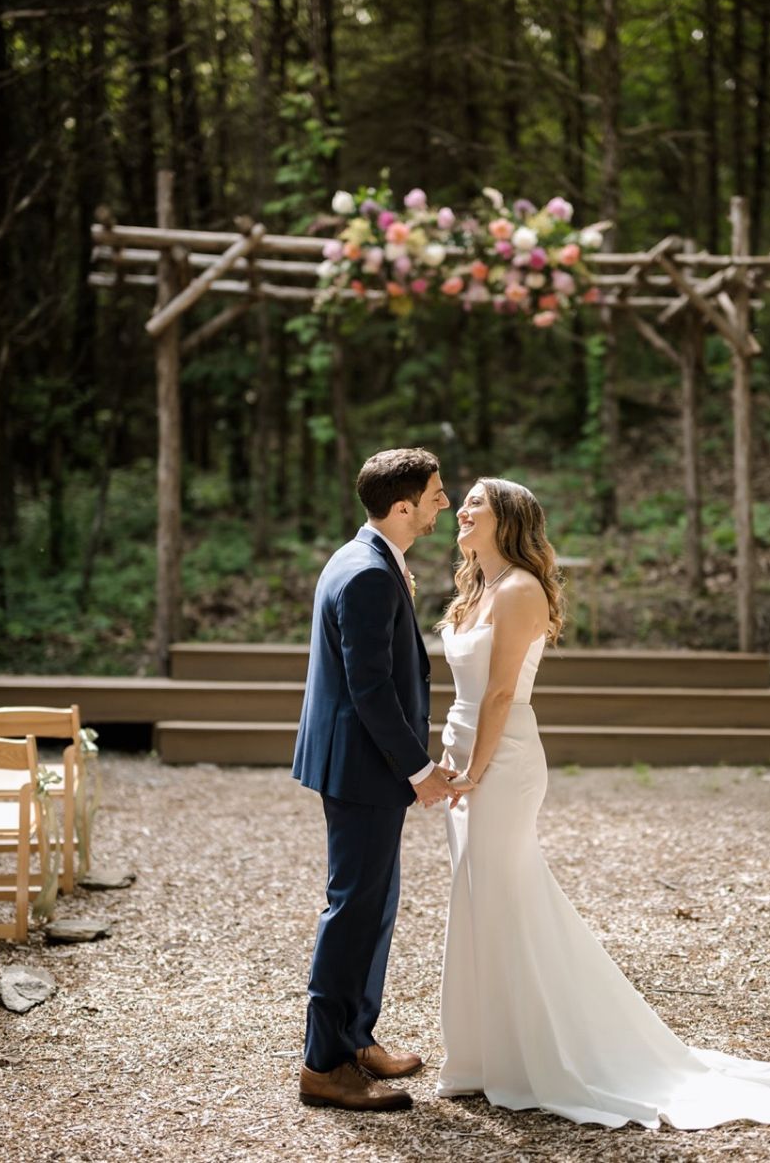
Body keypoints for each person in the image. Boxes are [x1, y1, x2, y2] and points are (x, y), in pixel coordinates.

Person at [436, 477, 770, 1129]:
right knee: (475, 897)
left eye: (476, 504)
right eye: (462, 501)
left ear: (509, 520)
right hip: (466, 757)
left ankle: (535, 1059)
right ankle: (482, 1056)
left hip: (503, 760)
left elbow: (497, 697)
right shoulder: (476, 590)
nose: (462, 511)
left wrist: (472, 770)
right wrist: (452, 760)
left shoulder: (519, 590)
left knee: (504, 897)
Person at [293, 448, 455, 1112]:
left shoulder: (364, 555)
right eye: (437, 494)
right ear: (403, 506)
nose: (444, 502)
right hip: (363, 769)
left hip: (361, 765)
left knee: (375, 906)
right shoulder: (366, 573)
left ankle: (357, 1037)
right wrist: (418, 769)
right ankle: (323, 1065)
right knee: (353, 910)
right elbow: (370, 688)